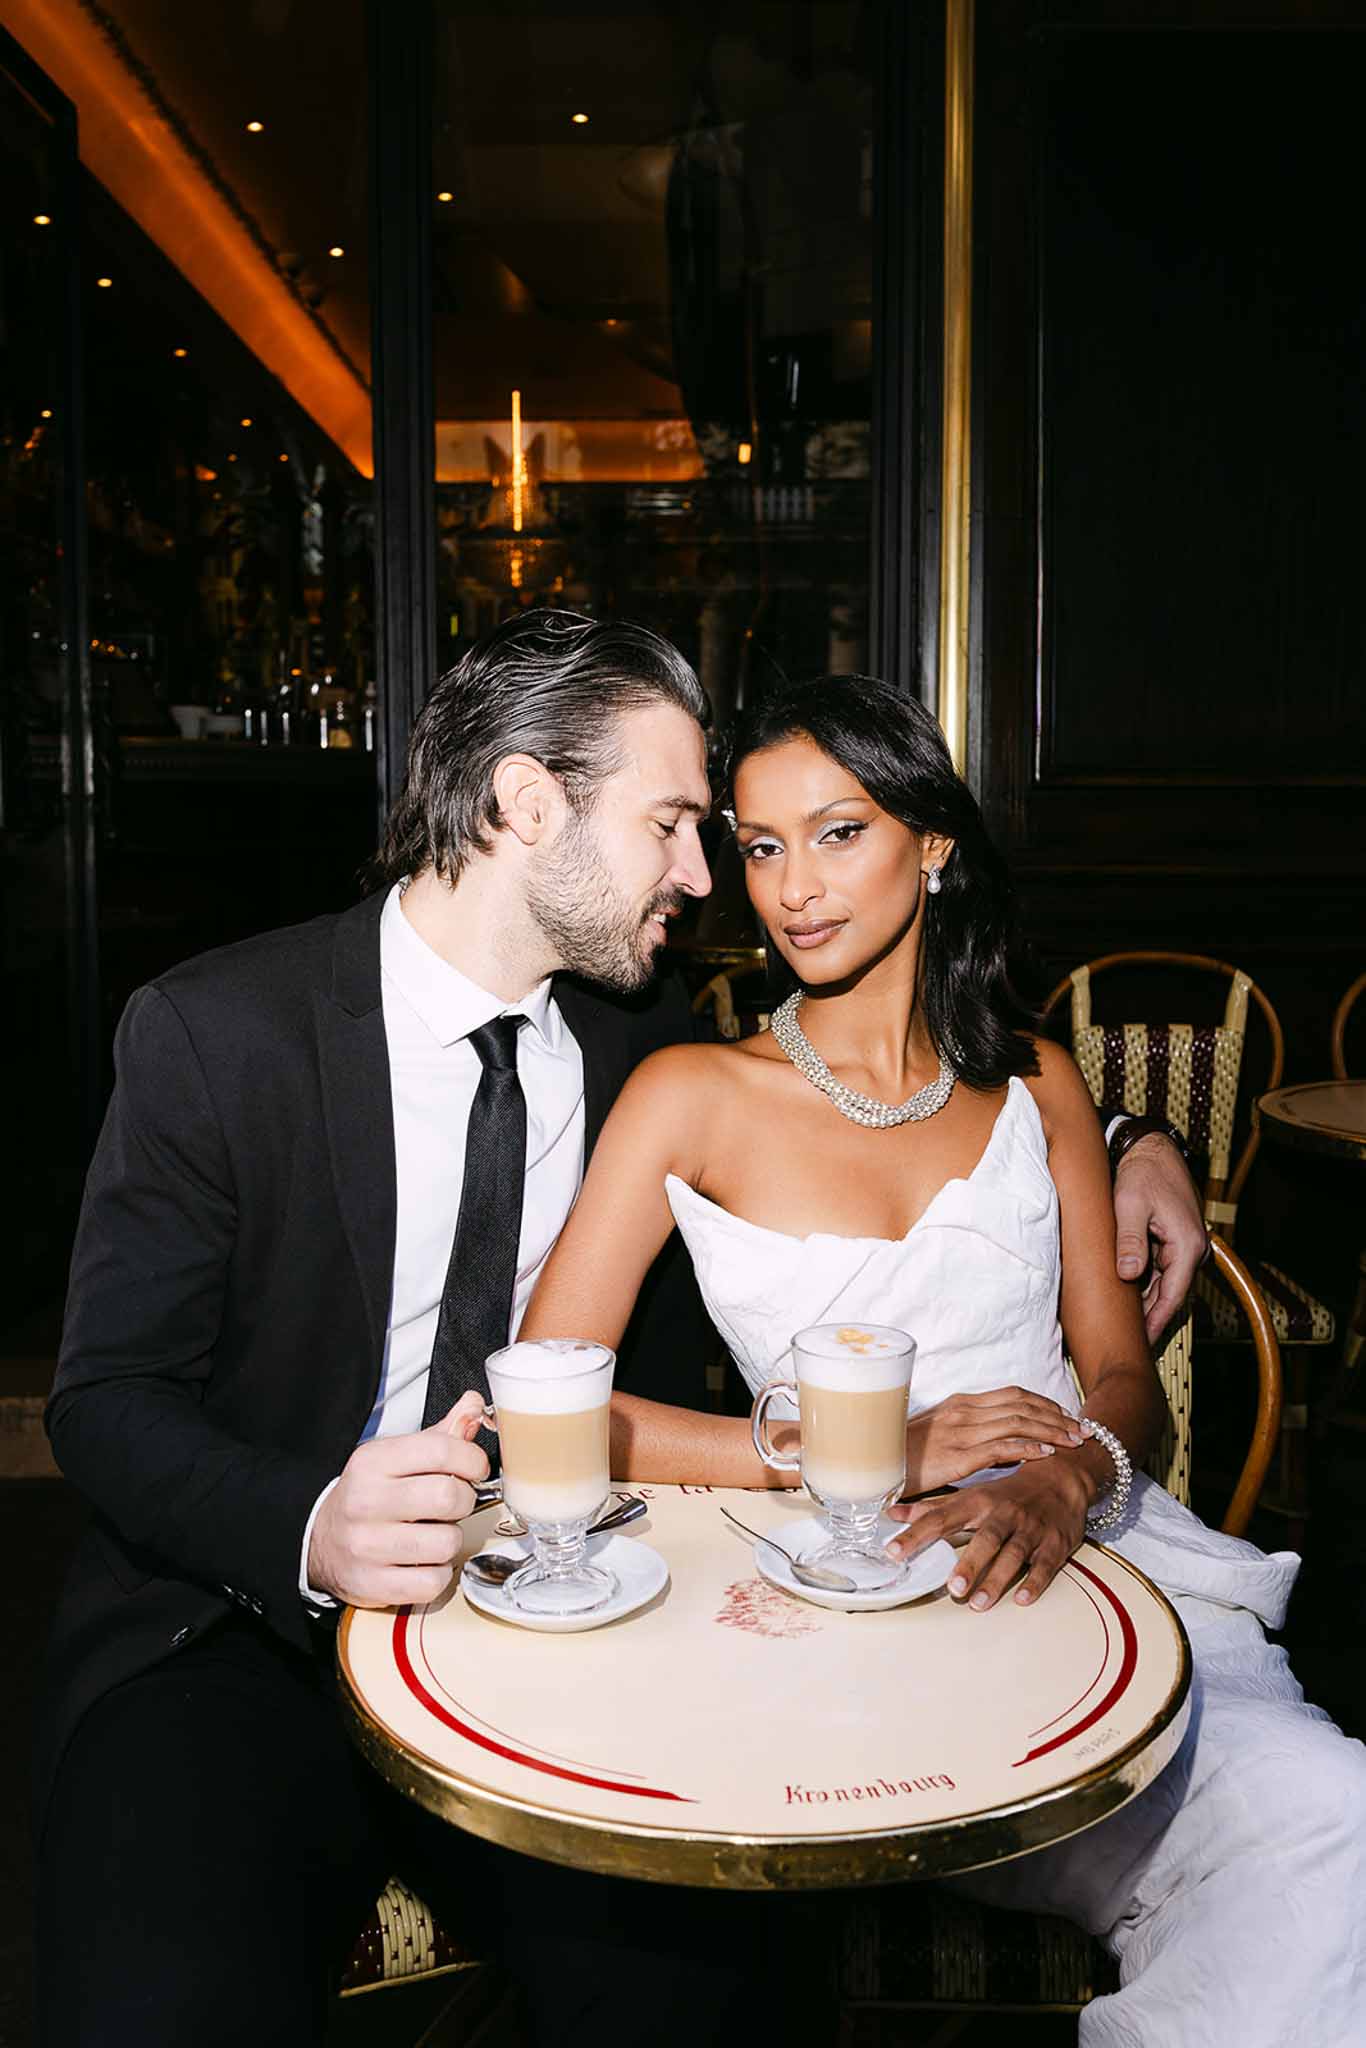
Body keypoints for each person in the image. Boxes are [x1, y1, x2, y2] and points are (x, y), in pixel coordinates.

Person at [37, 612, 1203, 2047]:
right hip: (237, 1636)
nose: (706, 878)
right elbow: (102, 1401)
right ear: (529, 806)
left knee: (717, 1999)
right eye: (672, 826)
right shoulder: (222, 1034)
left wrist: (1141, 1135)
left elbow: (901, 1072)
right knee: (159, 2008)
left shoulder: (637, 1044)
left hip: (579, 1627)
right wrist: (306, 1526)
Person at [520, 671, 1366, 2047]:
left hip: (1092, 1551)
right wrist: (861, 1452)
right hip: (835, 1584)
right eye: (759, 845)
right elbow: (544, 1405)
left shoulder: (1038, 1082)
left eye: (837, 832)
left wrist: (1066, 1484)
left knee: (1327, 1812)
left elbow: (1117, 1375)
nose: (792, 886)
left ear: (933, 842)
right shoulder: (691, 1094)